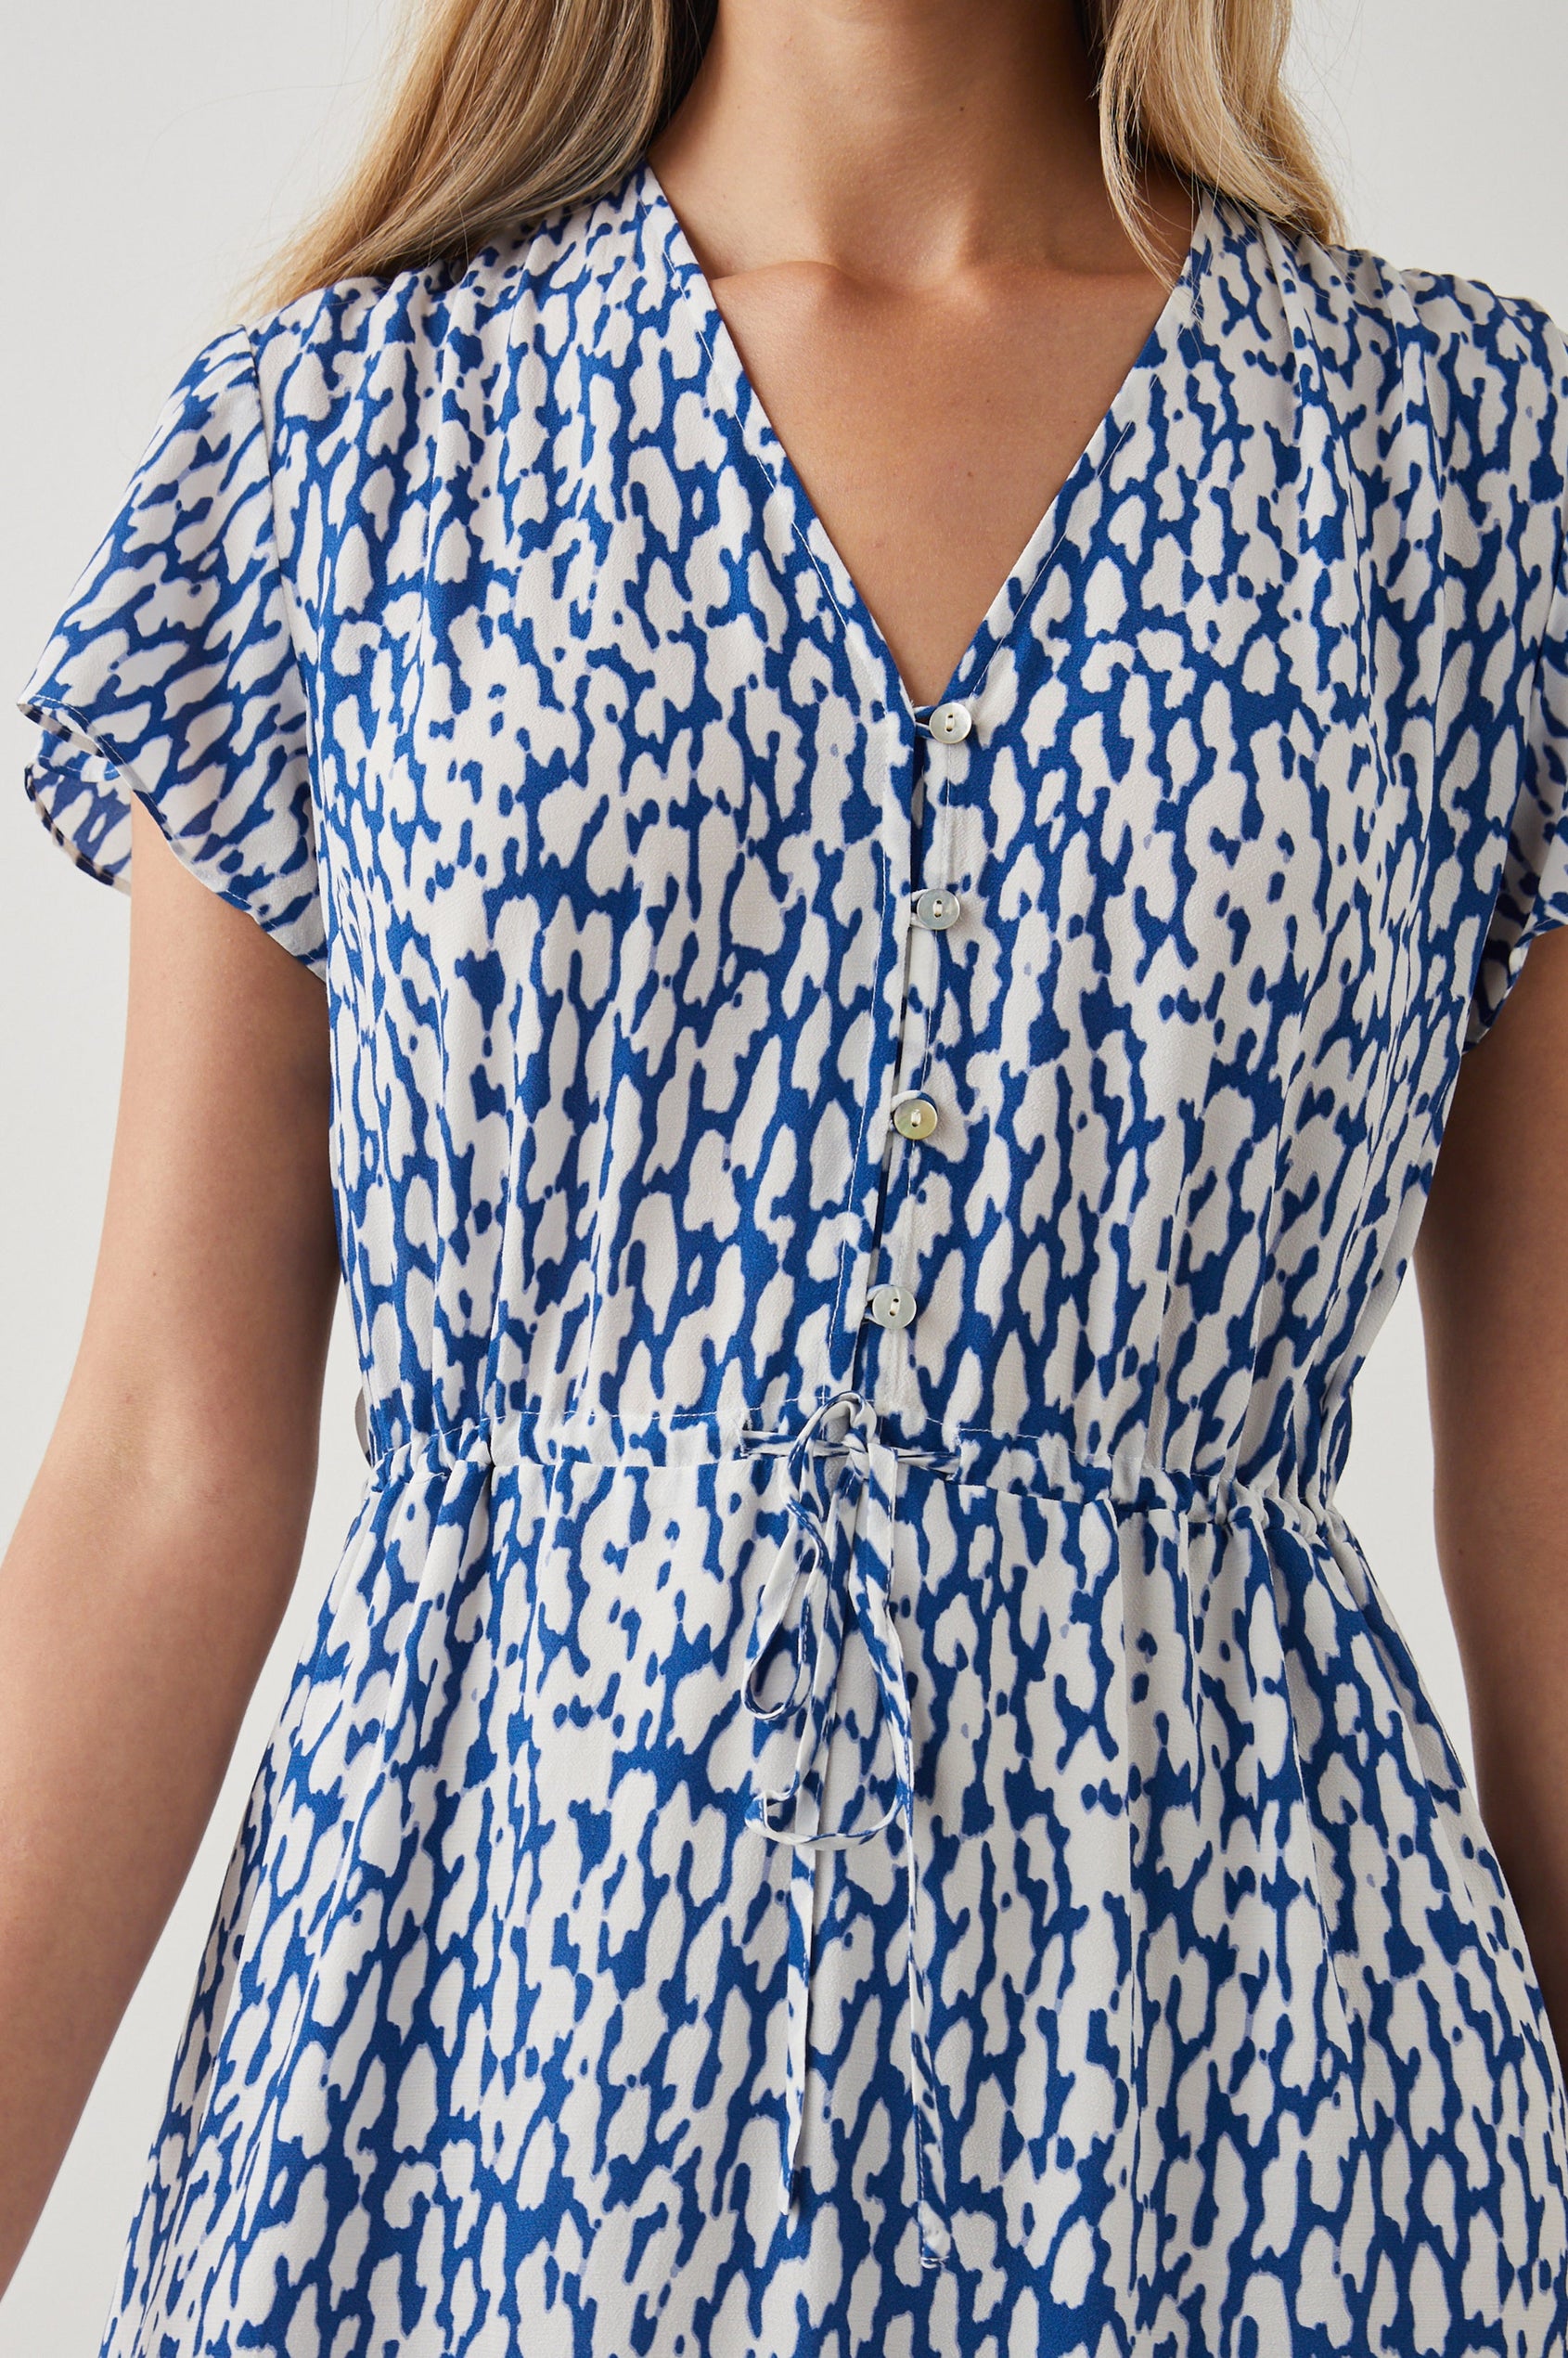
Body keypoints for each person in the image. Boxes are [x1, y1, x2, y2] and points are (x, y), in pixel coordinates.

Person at [5, 0, 1568, 2347]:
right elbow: (162, 1456)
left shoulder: (1453, 464)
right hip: (476, 2112)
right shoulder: (344, 447)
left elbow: (1544, 1477)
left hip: (1252, 2126)